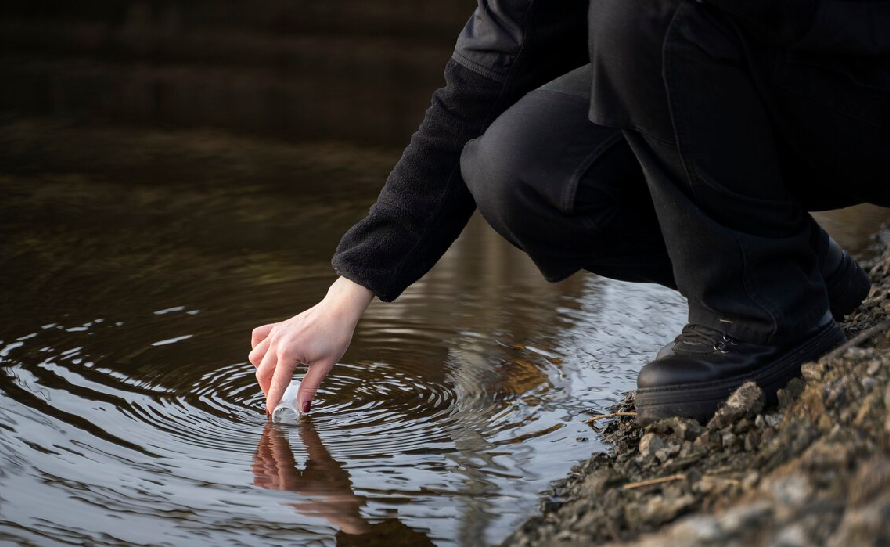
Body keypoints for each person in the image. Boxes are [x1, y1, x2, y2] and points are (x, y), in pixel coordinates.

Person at [250, 0, 889, 423]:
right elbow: (480, 83)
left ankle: (762, 324)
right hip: (752, 84)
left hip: (863, 84)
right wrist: (346, 297)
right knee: (522, 167)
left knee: (640, 9)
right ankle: (786, 272)